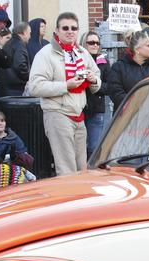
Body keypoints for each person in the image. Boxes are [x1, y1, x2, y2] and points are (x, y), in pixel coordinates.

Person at [26, 12, 102, 175]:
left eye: (74, 28)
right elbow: (35, 87)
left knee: (81, 168)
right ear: (57, 31)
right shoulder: (46, 54)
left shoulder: (82, 52)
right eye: (65, 28)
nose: (70, 31)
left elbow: (97, 75)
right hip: (57, 113)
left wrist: (93, 79)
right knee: (66, 168)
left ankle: (80, 198)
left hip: (79, 114)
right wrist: (65, 85)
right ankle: (69, 199)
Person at [104, 29, 149, 109]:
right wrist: (138, 103)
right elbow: (116, 94)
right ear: (137, 49)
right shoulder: (119, 67)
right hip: (127, 117)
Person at [82, 30, 109, 155]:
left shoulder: (103, 62)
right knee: (80, 149)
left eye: (97, 43)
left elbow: (109, 86)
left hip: (97, 110)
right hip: (80, 109)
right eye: (91, 42)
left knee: (94, 148)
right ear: (84, 44)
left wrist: (95, 83)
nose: (95, 45)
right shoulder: (78, 60)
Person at [0, 21, 31, 96]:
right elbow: (20, 65)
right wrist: (29, 77)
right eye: (30, 33)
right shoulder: (19, 45)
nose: (30, 36)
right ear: (25, 32)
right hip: (16, 87)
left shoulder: (9, 42)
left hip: (7, 85)